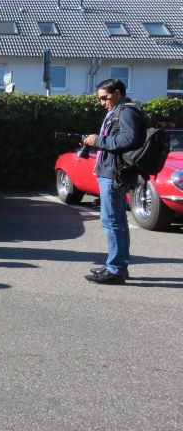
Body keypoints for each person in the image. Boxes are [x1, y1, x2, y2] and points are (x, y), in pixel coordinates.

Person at [82, 78, 144, 284]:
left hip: (113, 174)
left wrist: (97, 140)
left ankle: (115, 270)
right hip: (113, 172)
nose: (102, 103)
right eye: (100, 98)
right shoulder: (120, 110)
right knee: (118, 222)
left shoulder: (125, 111)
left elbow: (128, 139)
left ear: (117, 92)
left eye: (105, 98)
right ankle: (118, 266)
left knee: (112, 222)